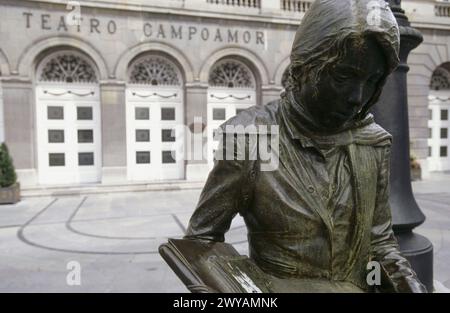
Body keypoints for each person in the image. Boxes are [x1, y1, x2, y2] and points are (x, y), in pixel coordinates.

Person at [184, 0, 427, 293]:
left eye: (372, 80)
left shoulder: (372, 142)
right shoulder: (249, 137)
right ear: (304, 67)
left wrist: (405, 283)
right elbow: (201, 242)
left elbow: (378, 241)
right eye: (343, 76)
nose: (357, 97)